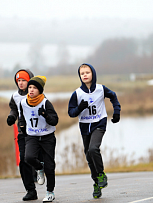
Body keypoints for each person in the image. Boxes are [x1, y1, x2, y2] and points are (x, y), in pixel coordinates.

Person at [68, 63, 121, 199]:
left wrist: (116, 112)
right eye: (82, 73)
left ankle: (102, 174)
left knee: (93, 149)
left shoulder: (101, 89)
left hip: (99, 123)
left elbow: (113, 96)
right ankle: (97, 182)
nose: (85, 75)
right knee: (88, 156)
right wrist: (80, 108)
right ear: (80, 76)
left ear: (93, 74)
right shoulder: (77, 93)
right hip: (85, 127)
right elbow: (71, 113)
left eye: (87, 72)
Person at [19, 75, 58, 202]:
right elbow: (22, 117)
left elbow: (55, 120)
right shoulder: (23, 102)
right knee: (28, 158)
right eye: (30, 87)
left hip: (47, 137)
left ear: (40, 90)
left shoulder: (46, 103)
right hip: (32, 136)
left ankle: (50, 192)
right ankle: (39, 168)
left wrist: (45, 114)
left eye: (34, 88)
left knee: (50, 166)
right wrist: (22, 126)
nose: (31, 90)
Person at [6, 69, 38, 201]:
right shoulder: (15, 96)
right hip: (22, 132)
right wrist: (11, 117)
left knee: (35, 158)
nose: (21, 83)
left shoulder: (37, 94)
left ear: (29, 80)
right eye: (18, 80)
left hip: (37, 132)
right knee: (23, 161)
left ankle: (38, 169)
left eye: (23, 80)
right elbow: (14, 109)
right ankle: (31, 191)